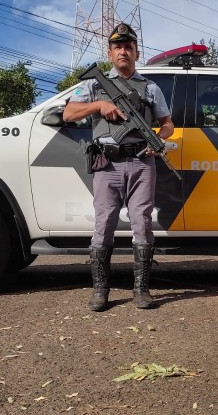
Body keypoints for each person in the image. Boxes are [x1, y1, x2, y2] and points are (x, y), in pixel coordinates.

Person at [64, 23, 174, 311]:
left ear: (136, 52)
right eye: (118, 47)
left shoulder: (150, 87)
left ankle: (141, 291)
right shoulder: (94, 85)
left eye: (129, 47)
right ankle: (101, 291)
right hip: (107, 162)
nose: (123, 51)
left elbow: (167, 125)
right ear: (110, 53)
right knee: (104, 225)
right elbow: (69, 113)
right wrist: (99, 105)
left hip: (142, 161)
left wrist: (158, 140)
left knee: (143, 223)